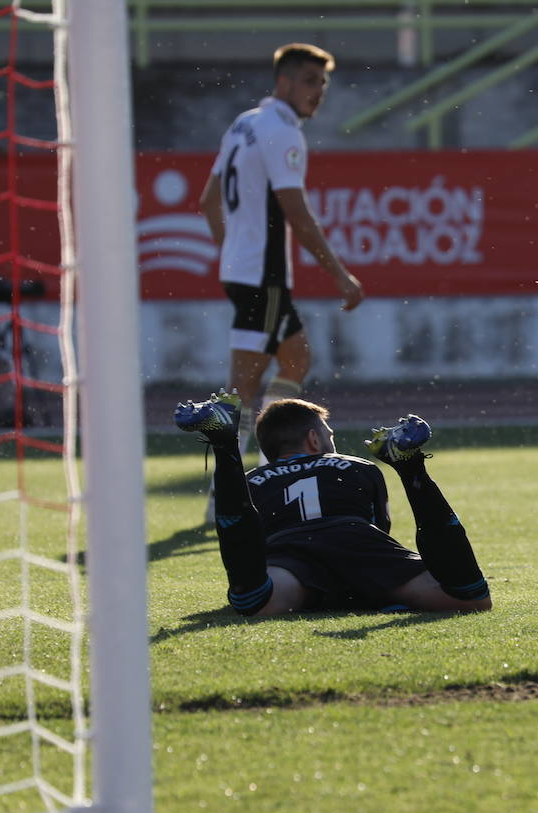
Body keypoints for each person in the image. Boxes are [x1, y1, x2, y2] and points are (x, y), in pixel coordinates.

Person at [197, 42, 363, 522]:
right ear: (285, 81)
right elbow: (296, 210)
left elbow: (209, 202)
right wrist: (339, 274)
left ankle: (269, 470)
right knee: (242, 388)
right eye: (311, 82)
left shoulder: (244, 123)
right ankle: (224, 494)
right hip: (262, 276)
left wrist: (232, 254)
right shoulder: (281, 131)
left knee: (296, 357)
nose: (319, 93)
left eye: (323, 84)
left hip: (247, 272)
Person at [173, 392, 490, 618]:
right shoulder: (357, 466)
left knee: (255, 602)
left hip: (288, 556)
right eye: (329, 434)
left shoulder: (253, 480)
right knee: (469, 598)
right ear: (314, 439)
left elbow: (251, 545)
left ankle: (225, 445)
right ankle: (411, 470)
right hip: (357, 541)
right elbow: (381, 526)